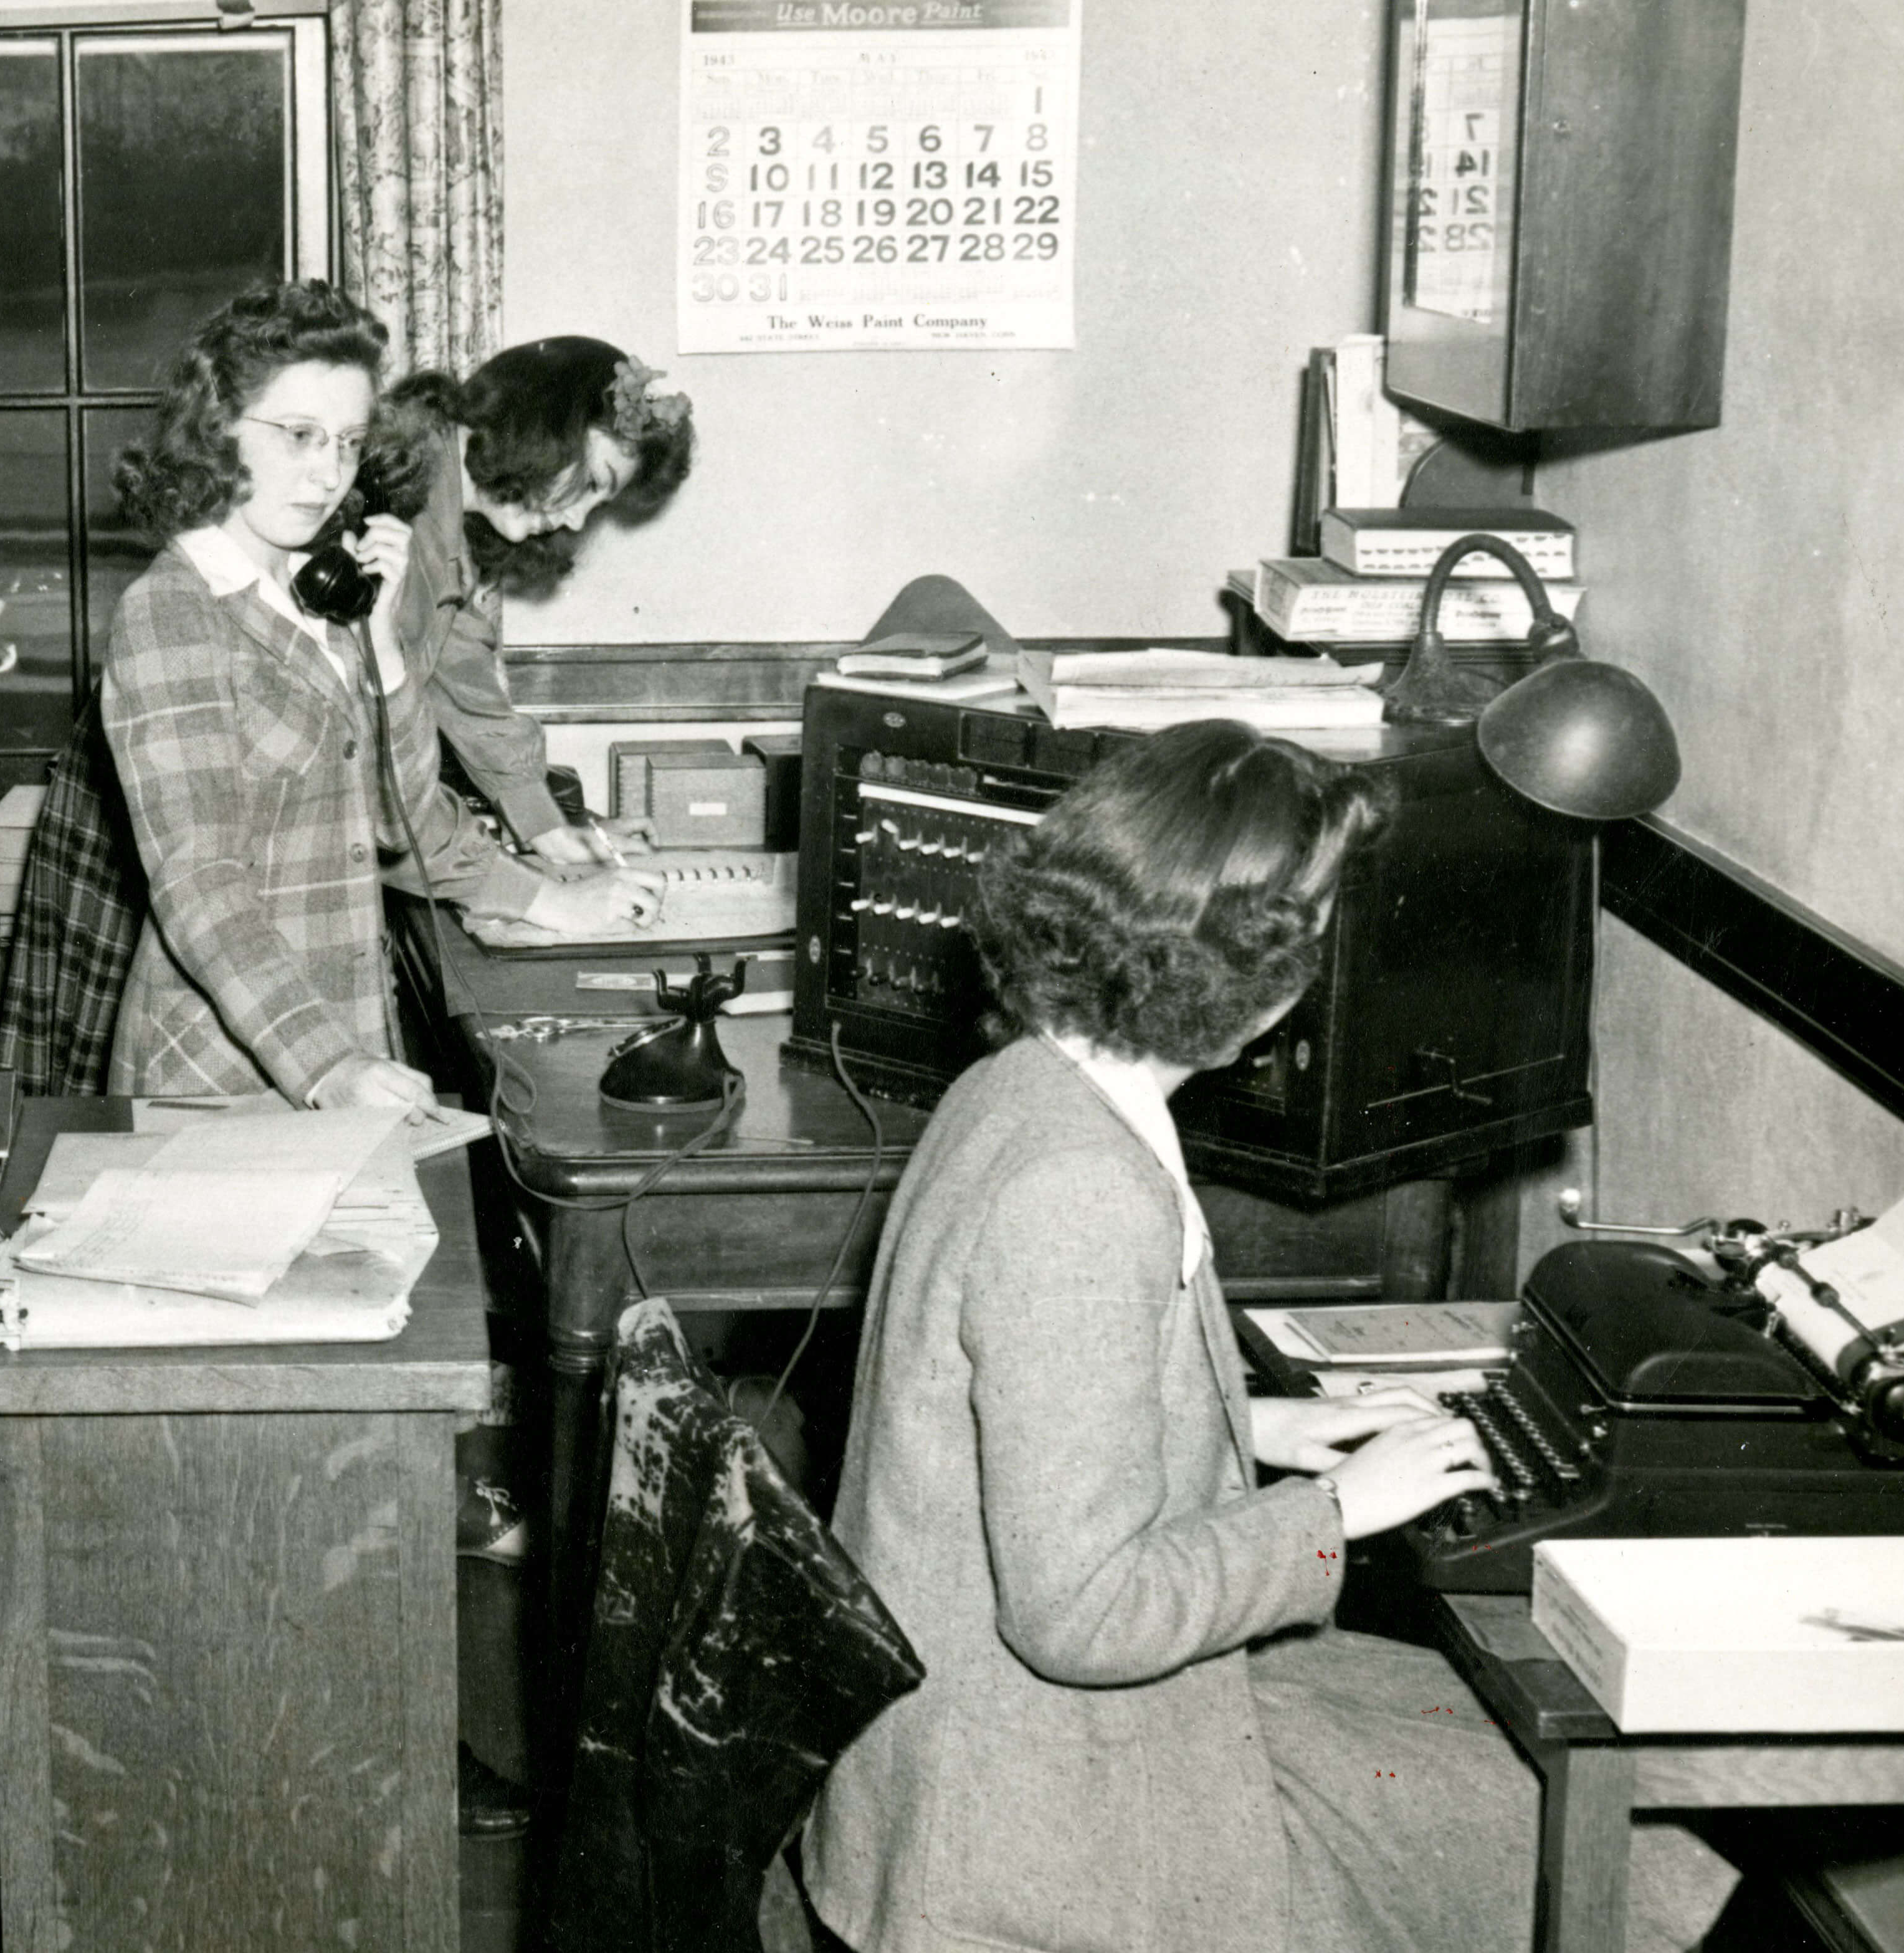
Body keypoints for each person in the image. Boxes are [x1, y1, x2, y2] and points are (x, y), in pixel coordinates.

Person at [800, 721, 1736, 1953]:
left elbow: (1022, 1414)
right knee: (1619, 1820)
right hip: (1027, 1810)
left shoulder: (1024, 1082)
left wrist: (1261, 1421)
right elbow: (1078, 1613)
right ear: (1260, 974)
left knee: (1522, 1747)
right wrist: (1337, 1510)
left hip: (975, 1736)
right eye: (1315, 916)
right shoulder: (1077, 1192)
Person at [102, 282, 659, 1107]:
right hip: (226, 1076)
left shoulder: (320, 590)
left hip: (351, 1032)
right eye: (298, 435)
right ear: (218, 428)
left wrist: (387, 651)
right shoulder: (172, 612)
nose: (328, 473)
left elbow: (400, 819)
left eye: (348, 441)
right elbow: (202, 886)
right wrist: (331, 1066)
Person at [360, 335, 695, 864]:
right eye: (590, 482)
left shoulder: (448, 524)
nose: (578, 521)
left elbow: (471, 693)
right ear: (540, 429)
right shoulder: (397, 502)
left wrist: (549, 830)